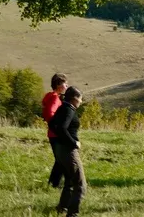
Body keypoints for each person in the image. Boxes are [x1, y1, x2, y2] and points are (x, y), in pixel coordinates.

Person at [47, 86, 85, 216]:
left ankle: (62, 208)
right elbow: (62, 128)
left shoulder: (62, 107)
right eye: (80, 99)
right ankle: (73, 214)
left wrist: (59, 140)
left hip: (59, 149)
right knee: (80, 184)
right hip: (68, 151)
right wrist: (73, 142)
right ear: (74, 99)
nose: (81, 102)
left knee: (69, 180)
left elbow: (52, 124)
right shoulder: (69, 110)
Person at [42, 73, 68, 188]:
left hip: (53, 133)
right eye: (64, 84)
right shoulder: (54, 98)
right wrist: (57, 127)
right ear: (58, 85)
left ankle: (53, 184)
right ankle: (54, 184)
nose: (66, 86)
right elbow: (49, 114)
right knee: (61, 160)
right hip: (55, 134)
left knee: (60, 160)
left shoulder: (51, 96)